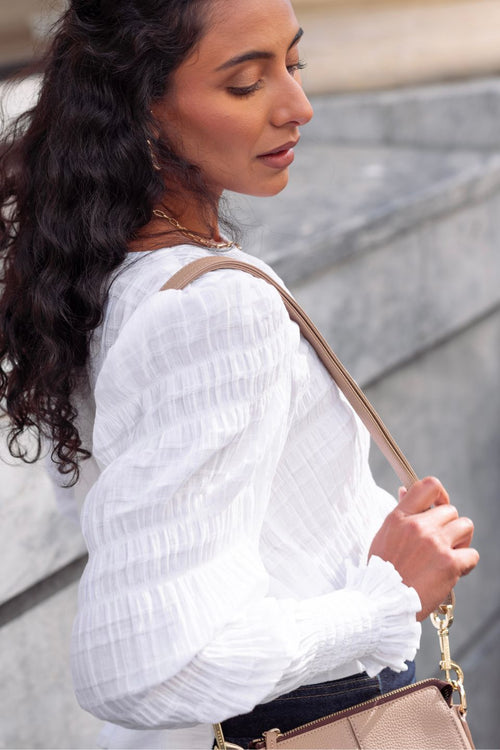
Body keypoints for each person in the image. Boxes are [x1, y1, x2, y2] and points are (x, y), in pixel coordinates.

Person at [0, 0, 479, 748]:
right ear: (145, 108)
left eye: (293, 63)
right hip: (306, 723)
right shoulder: (214, 307)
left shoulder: (105, 271)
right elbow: (144, 667)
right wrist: (390, 593)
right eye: (246, 83)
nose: (300, 107)